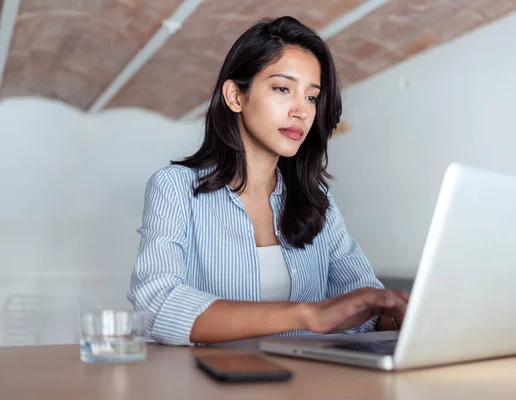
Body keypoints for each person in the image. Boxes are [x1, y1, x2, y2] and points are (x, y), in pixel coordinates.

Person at [127, 16, 409, 346]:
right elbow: (157, 305)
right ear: (235, 96)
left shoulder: (317, 199)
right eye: (282, 88)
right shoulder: (175, 188)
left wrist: (396, 312)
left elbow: (366, 314)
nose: (302, 111)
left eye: (311, 97)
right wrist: (308, 314)